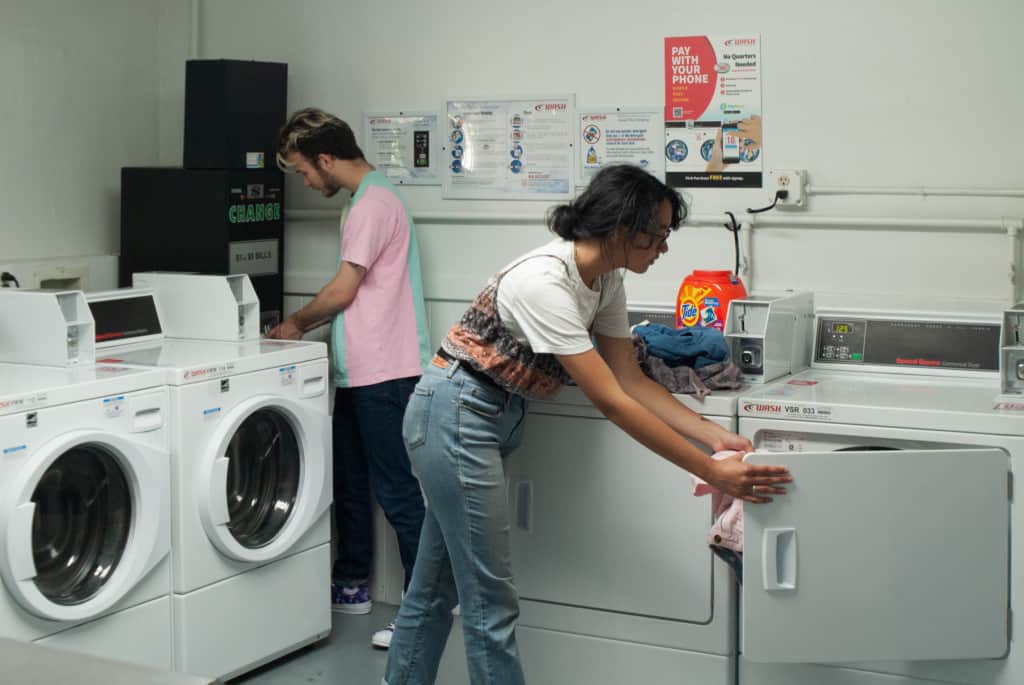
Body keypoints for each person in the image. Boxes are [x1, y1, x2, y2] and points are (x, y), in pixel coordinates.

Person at [383, 164, 792, 685]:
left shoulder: (604, 278)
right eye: (659, 234)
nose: (664, 247)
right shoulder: (544, 283)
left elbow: (631, 380)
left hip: (492, 415)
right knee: (490, 600)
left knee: (436, 587)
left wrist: (715, 437)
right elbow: (613, 403)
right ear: (623, 228)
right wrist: (713, 474)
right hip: (457, 413)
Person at [269, 107, 430, 650]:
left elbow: (342, 292)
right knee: (351, 483)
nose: (308, 183)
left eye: (304, 172)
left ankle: (421, 606)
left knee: (399, 492)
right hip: (361, 371)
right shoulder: (368, 201)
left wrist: (292, 325)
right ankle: (352, 584)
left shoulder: (373, 204)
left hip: (386, 372)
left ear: (326, 158)